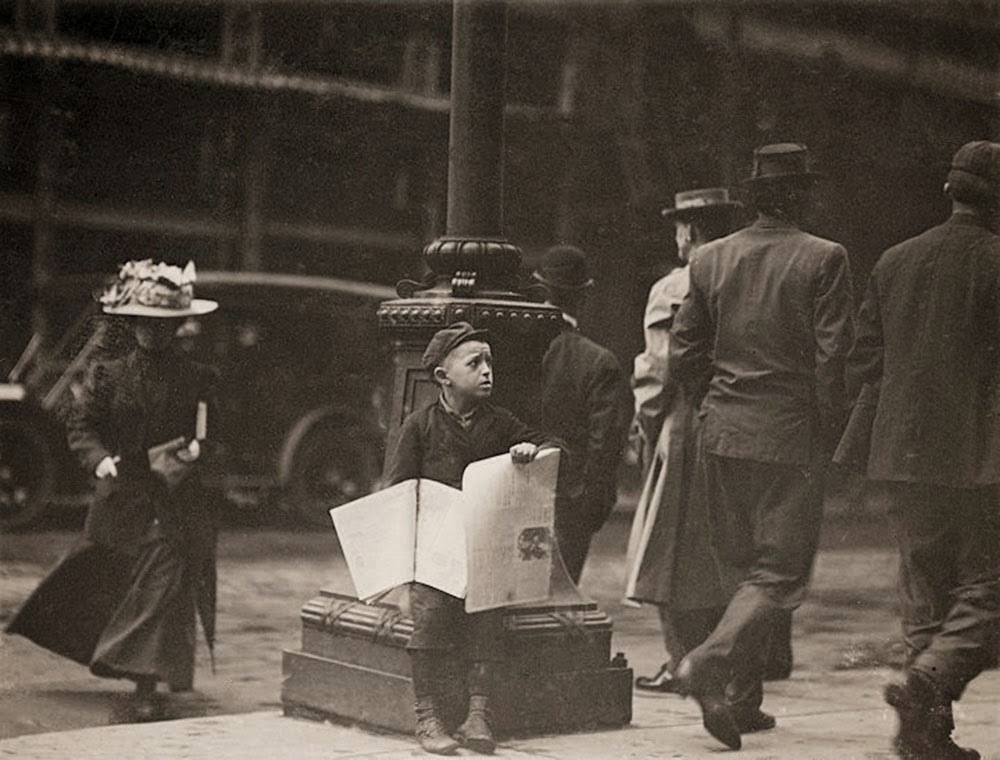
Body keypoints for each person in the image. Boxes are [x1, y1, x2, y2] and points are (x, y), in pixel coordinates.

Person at [669, 144, 854, 750]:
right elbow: (833, 361)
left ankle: (741, 702)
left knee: (739, 568)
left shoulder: (710, 258)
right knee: (778, 574)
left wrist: (711, 403)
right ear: (799, 195)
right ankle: (706, 665)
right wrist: (830, 433)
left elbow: (685, 353)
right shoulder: (825, 258)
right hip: (788, 435)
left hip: (721, 433)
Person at [6, 259, 220, 721]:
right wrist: (100, 459)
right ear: (132, 324)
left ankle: (146, 683)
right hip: (122, 494)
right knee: (111, 579)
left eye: (163, 325)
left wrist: (198, 452)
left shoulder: (196, 376)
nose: (153, 333)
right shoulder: (107, 374)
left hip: (173, 497)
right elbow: (80, 425)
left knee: (163, 582)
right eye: (145, 324)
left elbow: (211, 433)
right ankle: (124, 662)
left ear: (179, 326)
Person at [845, 140, 1000, 760]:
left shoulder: (894, 261)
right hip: (982, 454)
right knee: (989, 588)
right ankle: (927, 685)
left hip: (903, 453)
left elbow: (865, 360)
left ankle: (926, 736)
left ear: (948, 191)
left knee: (924, 595)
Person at [385, 322, 560, 756]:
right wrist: (403, 569)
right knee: (429, 620)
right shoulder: (420, 426)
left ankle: (479, 712)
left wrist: (530, 452)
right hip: (434, 552)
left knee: (488, 621)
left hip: (487, 550)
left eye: (489, 362)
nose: (487, 372)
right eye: (474, 363)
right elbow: (399, 491)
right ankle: (427, 715)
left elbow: (552, 446)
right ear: (443, 377)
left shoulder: (500, 423)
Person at [628, 188, 759, 709]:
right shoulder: (747, 278)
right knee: (737, 556)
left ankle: (683, 662)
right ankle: (738, 683)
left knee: (668, 550)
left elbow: (658, 370)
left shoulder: (674, 286)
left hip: (685, 426)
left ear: (689, 231)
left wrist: (648, 427)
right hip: (744, 421)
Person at [535, 245, 631, 584]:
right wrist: (590, 505)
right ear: (585, 295)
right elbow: (605, 443)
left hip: (512, 494)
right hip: (570, 505)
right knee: (559, 599)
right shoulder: (598, 362)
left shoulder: (510, 352)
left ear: (539, 288)